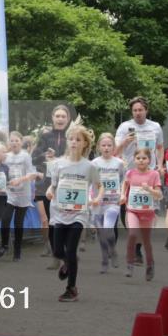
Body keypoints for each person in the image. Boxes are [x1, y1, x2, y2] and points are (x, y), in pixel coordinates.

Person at [45, 120, 103, 302]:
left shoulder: (89, 166)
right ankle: (67, 262)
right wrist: (49, 191)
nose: (74, 142)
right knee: (57, 251)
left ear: (84, 143)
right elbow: (53, 186)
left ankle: (71, 288)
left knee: (70, 250)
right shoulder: (58, 164)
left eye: (78, 139)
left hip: (79, 213)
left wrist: (96, 198)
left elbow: (99, 186)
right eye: (71, 139)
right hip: (59, 212)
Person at [114, 97, 164, 263]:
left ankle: (137, 247)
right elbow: (115, 151)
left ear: (146, 110)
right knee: (127, 208)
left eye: (140, 110)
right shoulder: (124, 127)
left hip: (149, 174)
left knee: (145, 211)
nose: (137, 113)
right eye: (134, 110)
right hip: (129, 172)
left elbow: (160, 147)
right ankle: (135, 244)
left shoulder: (155, 127)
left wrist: (160, 165)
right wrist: (124, 142)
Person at [32, 104, 71, 260]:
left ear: (68, 119)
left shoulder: (72, 137)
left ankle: (66, 249)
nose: (60, 119)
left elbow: (78, 158)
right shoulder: (45, 137)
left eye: (63, 116)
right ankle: (54, 249)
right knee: (49, 219)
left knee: (65, 218)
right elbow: (33, 158)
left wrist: (59, 159)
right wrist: (44, 156)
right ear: (53, 118)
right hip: (45, 183)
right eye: (57, 116)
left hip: (65, 183)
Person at [119, 147, 163, 281]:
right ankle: (129, 264)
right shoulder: (130, 173)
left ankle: (150, 264)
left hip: (147, 213)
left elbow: (159, 195)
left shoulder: (154, 174)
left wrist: (149, 189)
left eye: (144, 158)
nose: (141, 161)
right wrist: (122, 195)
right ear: (134, 159)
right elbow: (125, 184)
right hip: (132, 210)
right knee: (132, 234)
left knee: (145, 240)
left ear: (149, 160)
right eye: (138, 158)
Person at [1, 131, 40, 261]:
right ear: (8, 143)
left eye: (16, 141)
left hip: (23, 193)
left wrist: (20, 180)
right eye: (11, 141)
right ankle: (5, 245)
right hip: (10, 193)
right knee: (5, 219)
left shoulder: (25, 156)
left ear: (21, 142)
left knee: (18, 223)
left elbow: (32, 174)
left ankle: (17, 251)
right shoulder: (5, 156)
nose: (14, 143)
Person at [92, 133, 124, 273]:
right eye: (103, 145)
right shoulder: (94, 163)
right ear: (99, 147)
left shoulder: (119, 163)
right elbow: (89, 182)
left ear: (113, 147)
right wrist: (89, 198)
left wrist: (122, 194)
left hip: (113, 201)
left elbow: (124, 180)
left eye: (109, 145)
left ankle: (112, 251)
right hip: (98, 202)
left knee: (108, 229)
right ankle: (105, 258)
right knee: (101, 234)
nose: (106, 148)